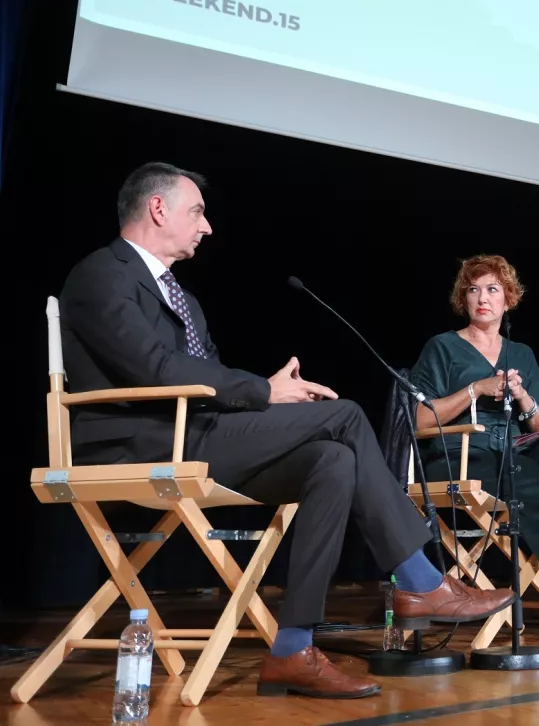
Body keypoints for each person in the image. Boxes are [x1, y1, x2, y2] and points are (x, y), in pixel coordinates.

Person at [59, 162, 514, 699]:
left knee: (334, 460)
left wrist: (267, 403)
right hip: (141, 444)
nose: (207, 227)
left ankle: (292, 649)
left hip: (194, 435)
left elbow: (200, 385)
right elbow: (155, 370)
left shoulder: (185, 299)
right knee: (344, 414)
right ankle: (419, 581)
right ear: (158, 209)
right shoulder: (102, 275)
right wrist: (265, 392)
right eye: (197, 212)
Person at [409, 255, 539, 655]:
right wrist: (476, 389)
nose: (482, 298)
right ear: (463, 298)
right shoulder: (442, 347)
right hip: (462, 457)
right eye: (473, 290)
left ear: (508, 299)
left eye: (493, 289)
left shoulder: (521, 353)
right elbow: (421, 420)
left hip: (512, 453)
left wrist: (522, 396)